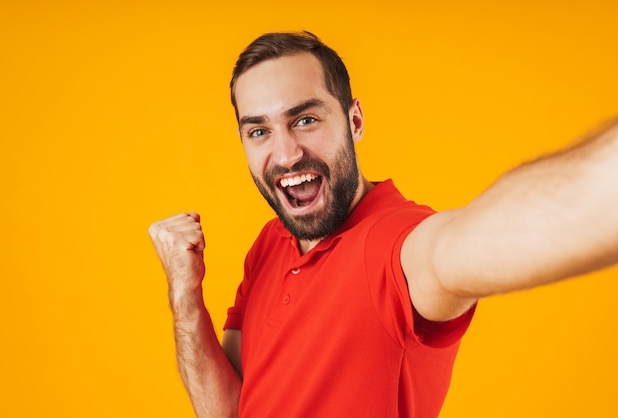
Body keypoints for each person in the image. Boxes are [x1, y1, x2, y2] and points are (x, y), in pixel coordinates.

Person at [148, 31, 618, 417]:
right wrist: (185, 298)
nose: (286, 153)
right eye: (260, 131)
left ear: (354, 120)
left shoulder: (397, 244)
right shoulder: (271, 242)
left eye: (306, 118)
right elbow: (227, 411)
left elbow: (470, 241)